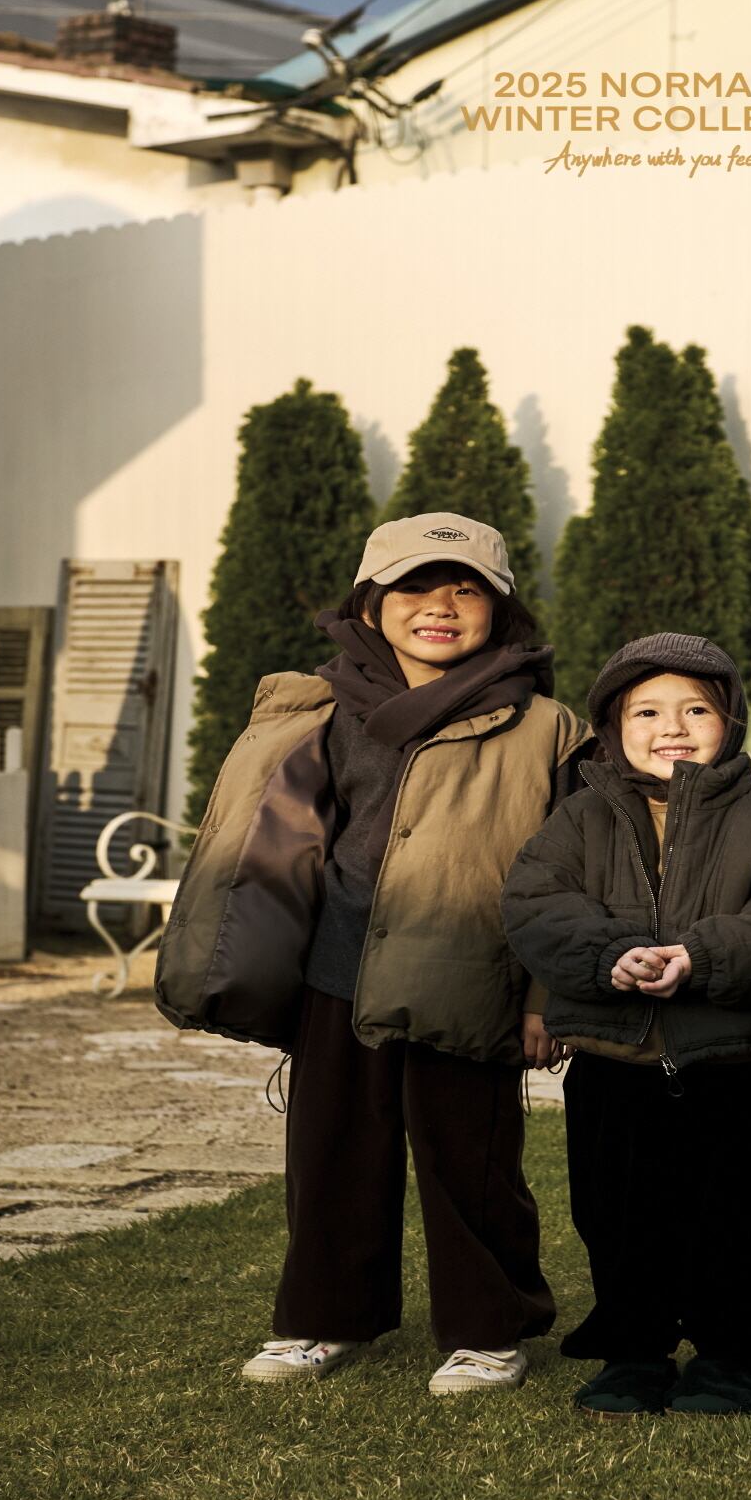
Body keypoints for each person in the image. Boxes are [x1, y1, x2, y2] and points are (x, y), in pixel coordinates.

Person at [155, 513, 590, 1392]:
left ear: (501, 610)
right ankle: (322, 1320)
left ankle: (489, 1328)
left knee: (472, 1164)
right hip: (339, 973)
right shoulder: (321, 708)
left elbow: (573, 873)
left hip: (470, 976)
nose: (440, 605)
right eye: (414, 587)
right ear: (370, 604)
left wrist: (546, 996)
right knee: (332, 1155)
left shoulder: (545, 726)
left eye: (465, 589)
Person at [502, 633, 751, 1418]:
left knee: (746, 1215)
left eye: (696, 709)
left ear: (731, 721)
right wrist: (611, 954)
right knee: (620, 1214)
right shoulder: (579, 819)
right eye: (647, 711)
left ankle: (734, 1354)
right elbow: (538, 905)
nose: (673, 726)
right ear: (611, 726)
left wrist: (702, 955)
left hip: (740, 1065)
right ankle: (633, 1349)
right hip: (615, 1062)